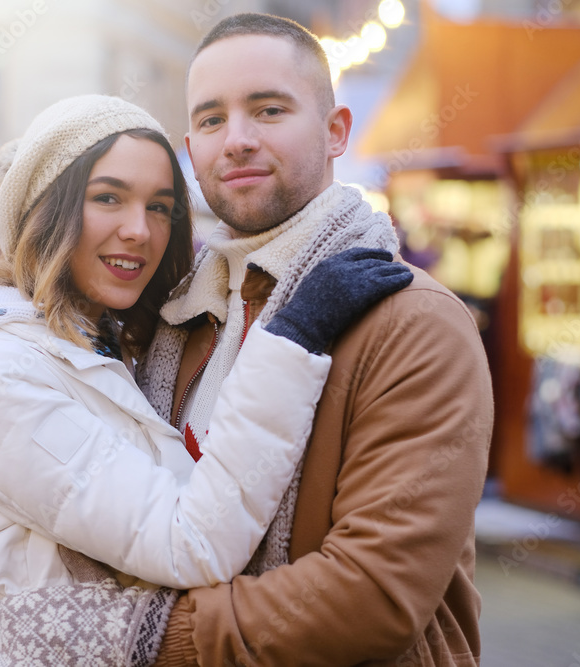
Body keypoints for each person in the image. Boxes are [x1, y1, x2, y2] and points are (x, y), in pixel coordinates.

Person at [0, 94, 412, 665]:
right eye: (108, 198)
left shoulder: (96, 344)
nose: (140, 230)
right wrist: (292, 339)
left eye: (160, 207)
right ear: (43, 211)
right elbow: (191, 543)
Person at [144, 14, 495, 666]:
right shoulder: (173, 323)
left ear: (336, 133)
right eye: (213, 120)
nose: (239, 140)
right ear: (191, 150)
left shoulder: (412, 321)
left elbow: (370, 595)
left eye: (269, 109)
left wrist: (136, 631)